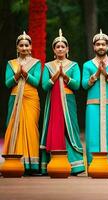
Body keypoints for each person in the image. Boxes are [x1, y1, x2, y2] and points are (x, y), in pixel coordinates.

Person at [40, 29, 85, 175]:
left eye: (62, 46)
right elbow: (44, 86)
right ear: (53, 49)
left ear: (67, 49)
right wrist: (55, 77)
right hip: (53, 102)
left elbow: (77, 85)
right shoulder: (48, 66)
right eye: (57, 47)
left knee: (70, 128)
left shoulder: (74, 65)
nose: (60, 49)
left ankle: (75, 165)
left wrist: (65, 77)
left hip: (68, 100)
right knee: (54, 128)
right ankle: (52, 163)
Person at [82, 29, 108, 175]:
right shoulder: (87, 65)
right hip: (93, 105)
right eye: (98, 44)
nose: (100, 47)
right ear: (93, 47)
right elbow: (84, 84)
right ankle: (93, 166)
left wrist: (106, 73)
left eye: (103, 44)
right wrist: (97, 74)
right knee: (93, 135)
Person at [2, 31, 41, 173]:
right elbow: (7, 83)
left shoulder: (36, 63)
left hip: (31, 98)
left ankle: (31, 164)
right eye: (21, 45)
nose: (24, 48)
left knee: (30, 126)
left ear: (30, 47)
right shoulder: (11, 64)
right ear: (17, 48)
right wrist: (17, 75)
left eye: (26, 45)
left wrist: (26, 75)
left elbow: (37, 82)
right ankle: (14, 161)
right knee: (14, 127)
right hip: (15, 97)